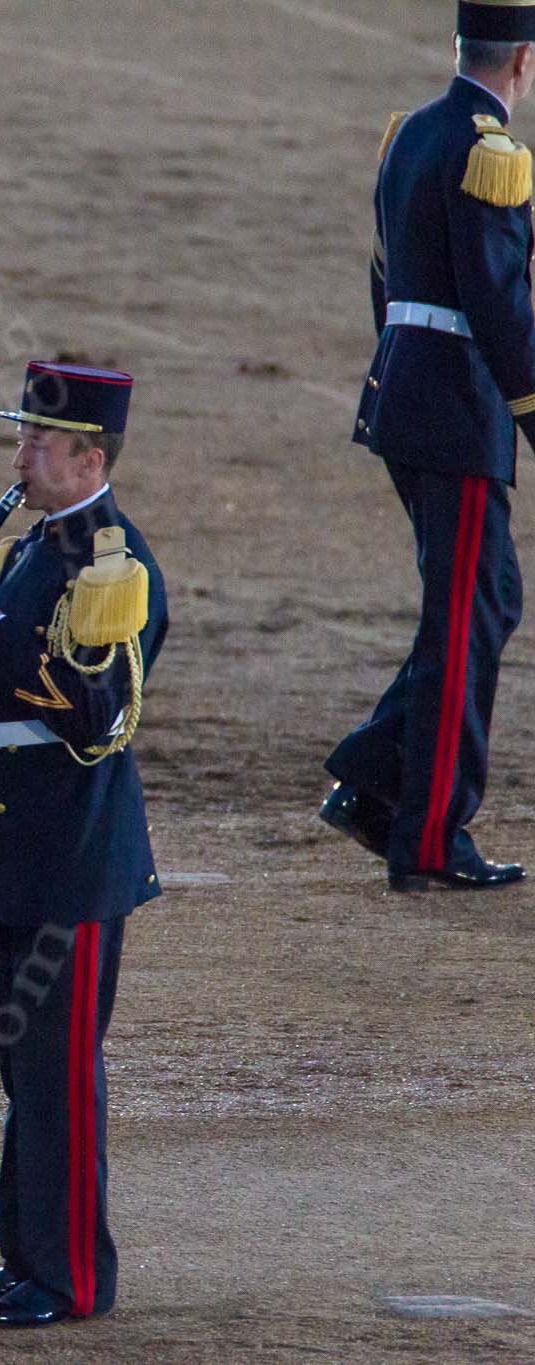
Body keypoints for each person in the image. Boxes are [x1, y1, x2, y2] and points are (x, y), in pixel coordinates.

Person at [0, 361, 166, 1328]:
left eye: (38, 444)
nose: (19, 457)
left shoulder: (113, 565)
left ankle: (71, 1277)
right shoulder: (32, 547)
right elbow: (3, 704)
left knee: (58, 1067)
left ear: (90, 456)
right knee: (25, 1065)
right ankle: (26, 1259)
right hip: (19, 843)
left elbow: (99, 718)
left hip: (75, 854)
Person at [324, 5, 535, 891]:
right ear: (521, 62)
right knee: (463, 619)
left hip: (408, 393)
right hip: (458, 410)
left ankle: (375, 779)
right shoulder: (491, 152)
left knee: (484, 600)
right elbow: (497, 303)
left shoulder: (407, 133)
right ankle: (429, 833)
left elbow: (382, 271)